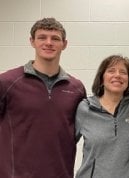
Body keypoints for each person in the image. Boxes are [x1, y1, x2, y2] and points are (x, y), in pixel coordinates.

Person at [0, 17, 86, 178]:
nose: (48, 43)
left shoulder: (76, 88)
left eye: (55, 38)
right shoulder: (7, 82)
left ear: (64, 44)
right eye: (42, 37)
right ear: (32, 41)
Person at [75, 55, 129, 177]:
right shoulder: (84, 109)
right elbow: (64, 145)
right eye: (111, 71)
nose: (117, 75)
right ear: (101, 79)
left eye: (123, 72)